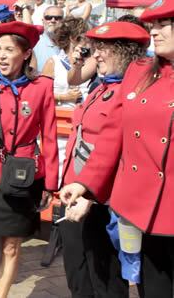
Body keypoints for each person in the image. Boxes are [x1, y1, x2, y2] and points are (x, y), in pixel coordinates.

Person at [61, 0, 174, 298]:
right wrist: (86, 184)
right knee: (153, 287)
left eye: (165, 23)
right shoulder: (141, 73)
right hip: (146, 206)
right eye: (153, 24)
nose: (154, 31)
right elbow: (115, 134)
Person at [0, 21, 58, 298]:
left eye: (9, 49)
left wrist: (50, 184)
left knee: (12, 246)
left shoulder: (41, 87)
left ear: (26, 53)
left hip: (24, 174)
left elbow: (49, 137)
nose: (2, 55)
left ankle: (0, 295)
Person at [57, 21, 150, 298]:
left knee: (105, 280)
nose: (95, 54)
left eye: (103, 48)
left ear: (126, 52)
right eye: (95, 47)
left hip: (103, 200)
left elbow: (119, 149)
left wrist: (91, 194)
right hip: (78, 192)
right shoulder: (102, 87)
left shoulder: (130, 93)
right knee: (78, 274)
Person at [42, 17, 91, 108]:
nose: (88, 41)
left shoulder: (89, 61)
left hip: (83, 117)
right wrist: (65, 97)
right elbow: (42, 94)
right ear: (73, 38)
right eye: (84, 37)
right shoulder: (53, 62)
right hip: (60, 117)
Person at [33, 6, 63, 73]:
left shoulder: (70, 44)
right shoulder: (34, 43)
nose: (53, 20)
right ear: (43, 21)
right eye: (48, 18)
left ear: (63, 21)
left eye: (57, 18)